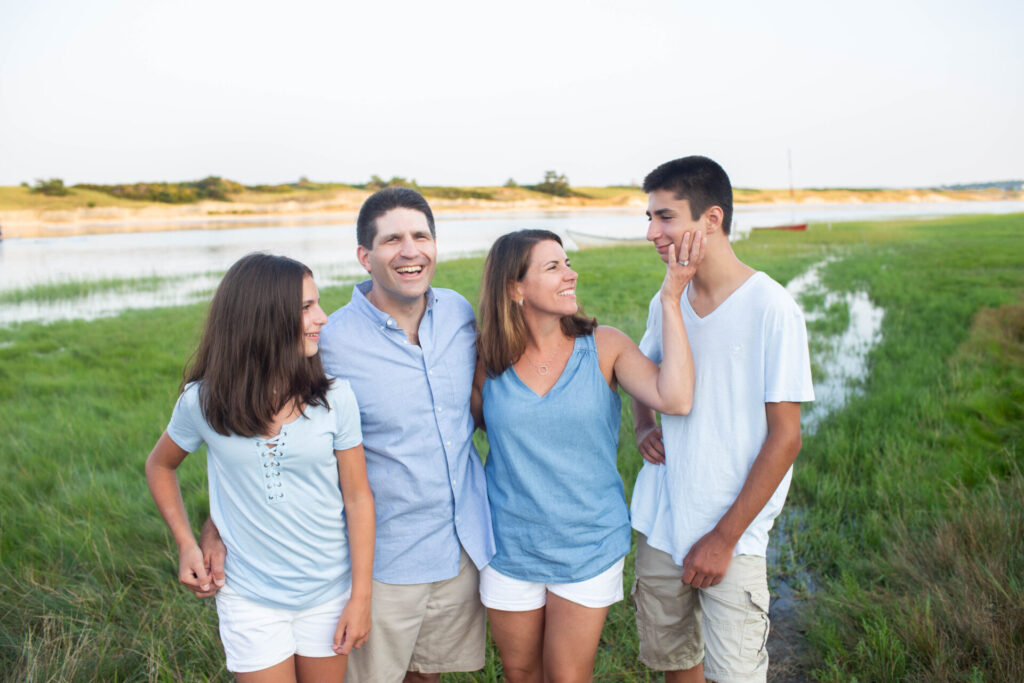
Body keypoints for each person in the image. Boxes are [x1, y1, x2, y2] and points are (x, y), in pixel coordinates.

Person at [195, 188, 495, 683]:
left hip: (460, 547)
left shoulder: (460, 315)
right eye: (392, 239)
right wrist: (215, 526)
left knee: (430, 676)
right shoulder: (325, 343)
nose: (410, 250)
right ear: (365, 256)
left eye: (422, 236)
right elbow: (259, 439)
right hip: (380, 560)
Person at [472, 228, 703, 682]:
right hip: (508, 545)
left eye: (568, 263)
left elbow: (675, 398)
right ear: (515, 288)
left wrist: (671, 299)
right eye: (553, 267)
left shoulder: (604, 345)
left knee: (567, 676)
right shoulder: (487, 357)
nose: (570, 274)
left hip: (588, 543)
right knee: (520, 672)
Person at [145, 253, 375, 681]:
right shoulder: (204, 401)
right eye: (306, 307)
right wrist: (187, 543)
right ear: (263, 317)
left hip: (328, 593)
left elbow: (358, 497)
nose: (322, 318)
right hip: (249, 598)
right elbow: (160, 466)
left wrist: (360, 596)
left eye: (317, 304)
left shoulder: (335, 398)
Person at [630, 156, 815, 682]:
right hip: (663, 521)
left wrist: (725, 538)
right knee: (677, 665)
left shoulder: (771, 307)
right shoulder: (667, 299)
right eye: (649, 218)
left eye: (665, 217)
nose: (651, 232)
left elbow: (786, 438)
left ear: (711, 219)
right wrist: (644, 424)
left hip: (733, 534)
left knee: (735, 674)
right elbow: (641, 370)